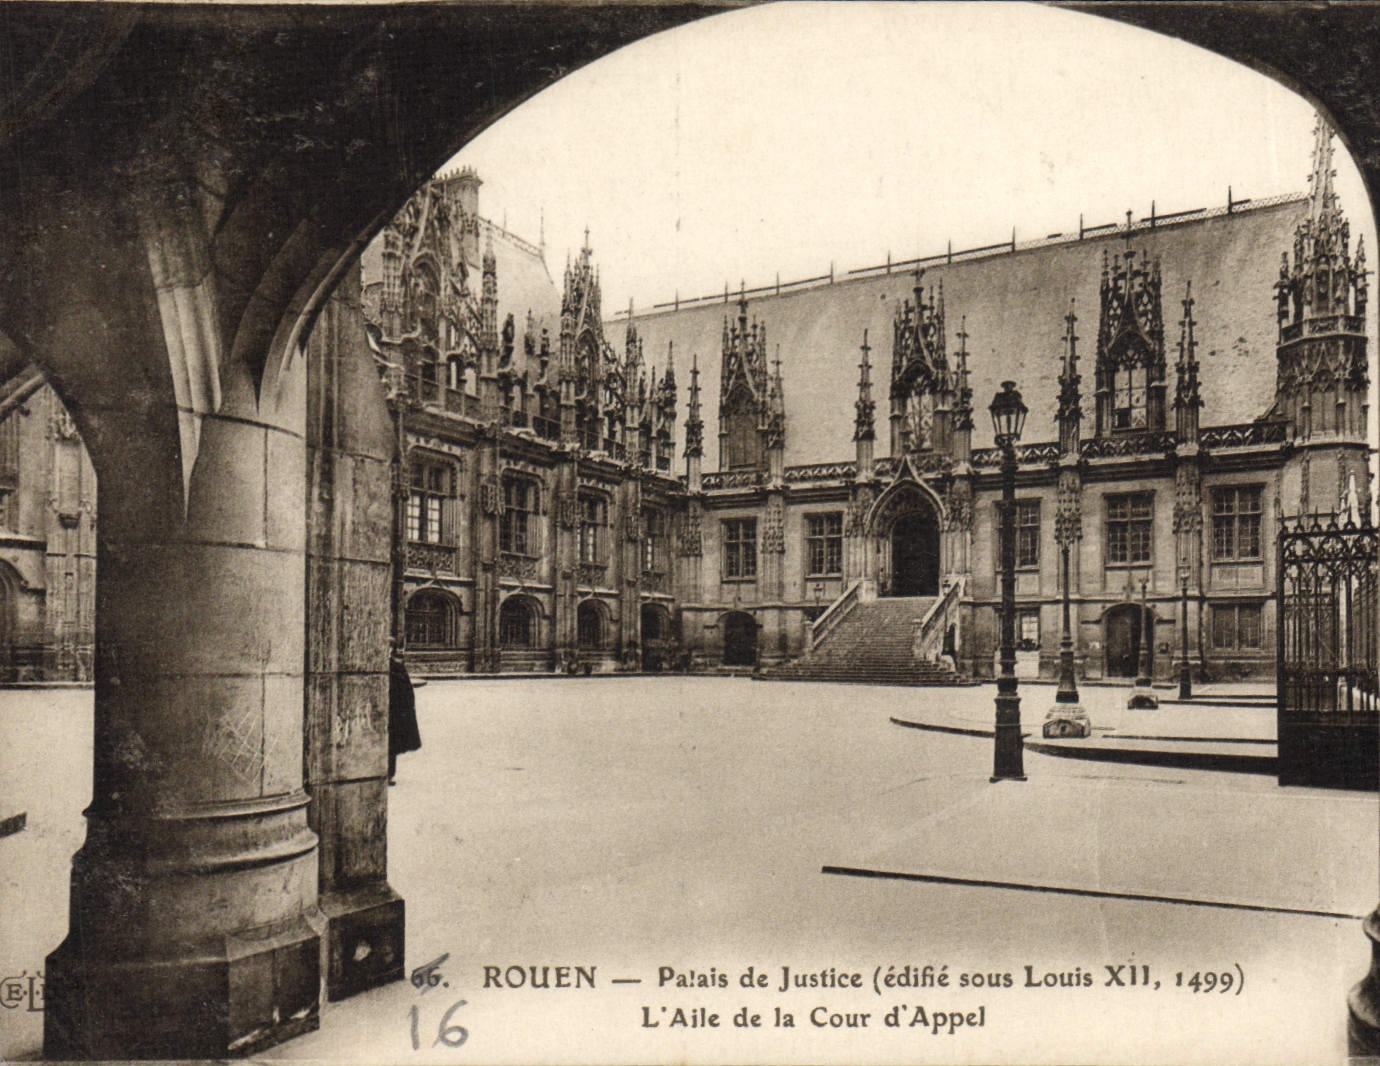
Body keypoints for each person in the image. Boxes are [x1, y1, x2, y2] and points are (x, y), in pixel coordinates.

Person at [388, 645, 421, 785]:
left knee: (391, 745)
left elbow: (407, 692)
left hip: (393, 711)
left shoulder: (396, 666)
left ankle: (389, 774)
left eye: (389, 648)